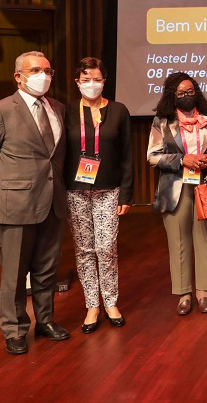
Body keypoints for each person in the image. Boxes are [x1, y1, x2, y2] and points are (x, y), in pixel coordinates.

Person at [0, 51, 69, 354]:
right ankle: (14, 330)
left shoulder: (58, 108)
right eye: (36, 70)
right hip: (14, 205)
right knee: (14, 273)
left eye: (48, 71)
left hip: (53, 202)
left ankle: (45, 321)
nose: (44, 76)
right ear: (18, 76)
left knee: (47, 269)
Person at [148, 72, 207, 315]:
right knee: (178, 241)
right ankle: (184, 294)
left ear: (197, 92)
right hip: (175, 187)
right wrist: (182, 159)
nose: (186, 96)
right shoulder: (162, 121)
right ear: (172, 96)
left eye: (190, 92)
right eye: (181, 93)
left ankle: (204, 293)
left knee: (205, 238)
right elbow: (152, 156)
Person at [63, 57, 133, 333]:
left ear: (104, 81)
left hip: (109, 190)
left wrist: (126, 195)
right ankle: (92, 305)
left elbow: (127, 155)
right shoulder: (67, 112)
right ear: (77, 82)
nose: (91, 84)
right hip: (75, 190)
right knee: (84, 250)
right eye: (86, 79)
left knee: (106, 248)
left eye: (96, 79)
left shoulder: (119, 110)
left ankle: (111, 302)